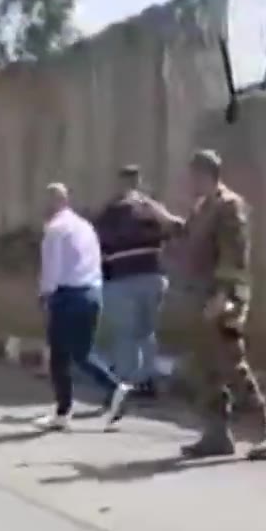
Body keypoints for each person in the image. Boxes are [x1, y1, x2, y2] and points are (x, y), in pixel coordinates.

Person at [176, 150, 266, 459]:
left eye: (193, 176)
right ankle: (216, 435)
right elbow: (188, 239)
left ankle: (265, 432)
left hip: (224, 298)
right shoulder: (202, 208)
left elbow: (234, 254)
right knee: (206, 368)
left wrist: (223, 297)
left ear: (207, 174)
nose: (189, 182)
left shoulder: (229, 206)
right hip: (202, 297)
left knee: (232, 364)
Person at [37, 183, 130, 431]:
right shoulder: (85, 226)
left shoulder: (55, 229)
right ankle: (111, 389)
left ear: (56, 202)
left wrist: (45, 296)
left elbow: (51, 269)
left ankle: (66, 410)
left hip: (67, 296)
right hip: (92, 293)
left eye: (47, 200)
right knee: (82, 353)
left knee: (59, 356)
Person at [94, 165, 181, 397]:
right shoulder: (152, 208)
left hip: (123, 277)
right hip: (153, 275)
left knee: (126, 334)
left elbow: (98, 243)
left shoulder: (112, 211)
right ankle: (146, 380)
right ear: (139, 181)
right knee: (146, 332)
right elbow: (175, 229)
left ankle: (126, 382)